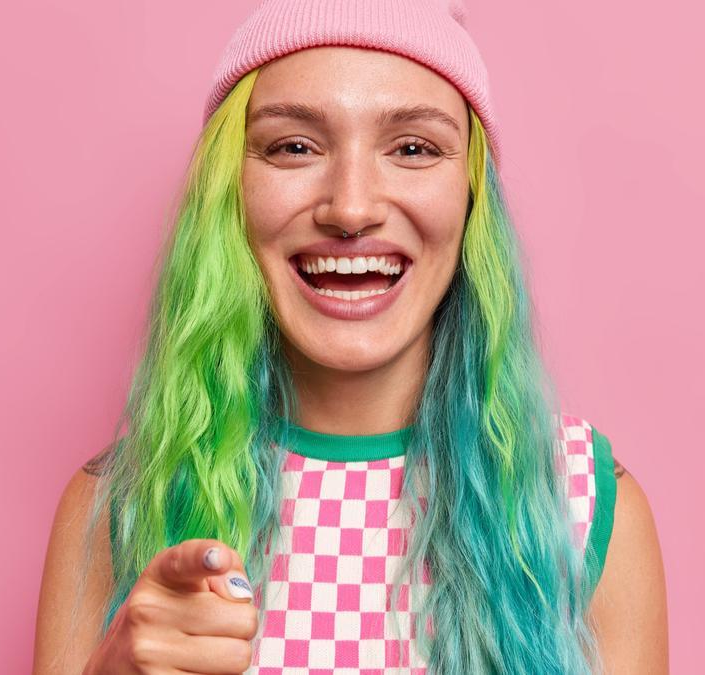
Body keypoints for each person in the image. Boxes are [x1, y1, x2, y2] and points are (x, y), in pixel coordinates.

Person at [33, 1, 668, 673]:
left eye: (414, 148)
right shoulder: (118, 507)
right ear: (231, 196)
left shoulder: (584, 504)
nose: (352, 207)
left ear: (471, 195)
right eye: (294, 146)